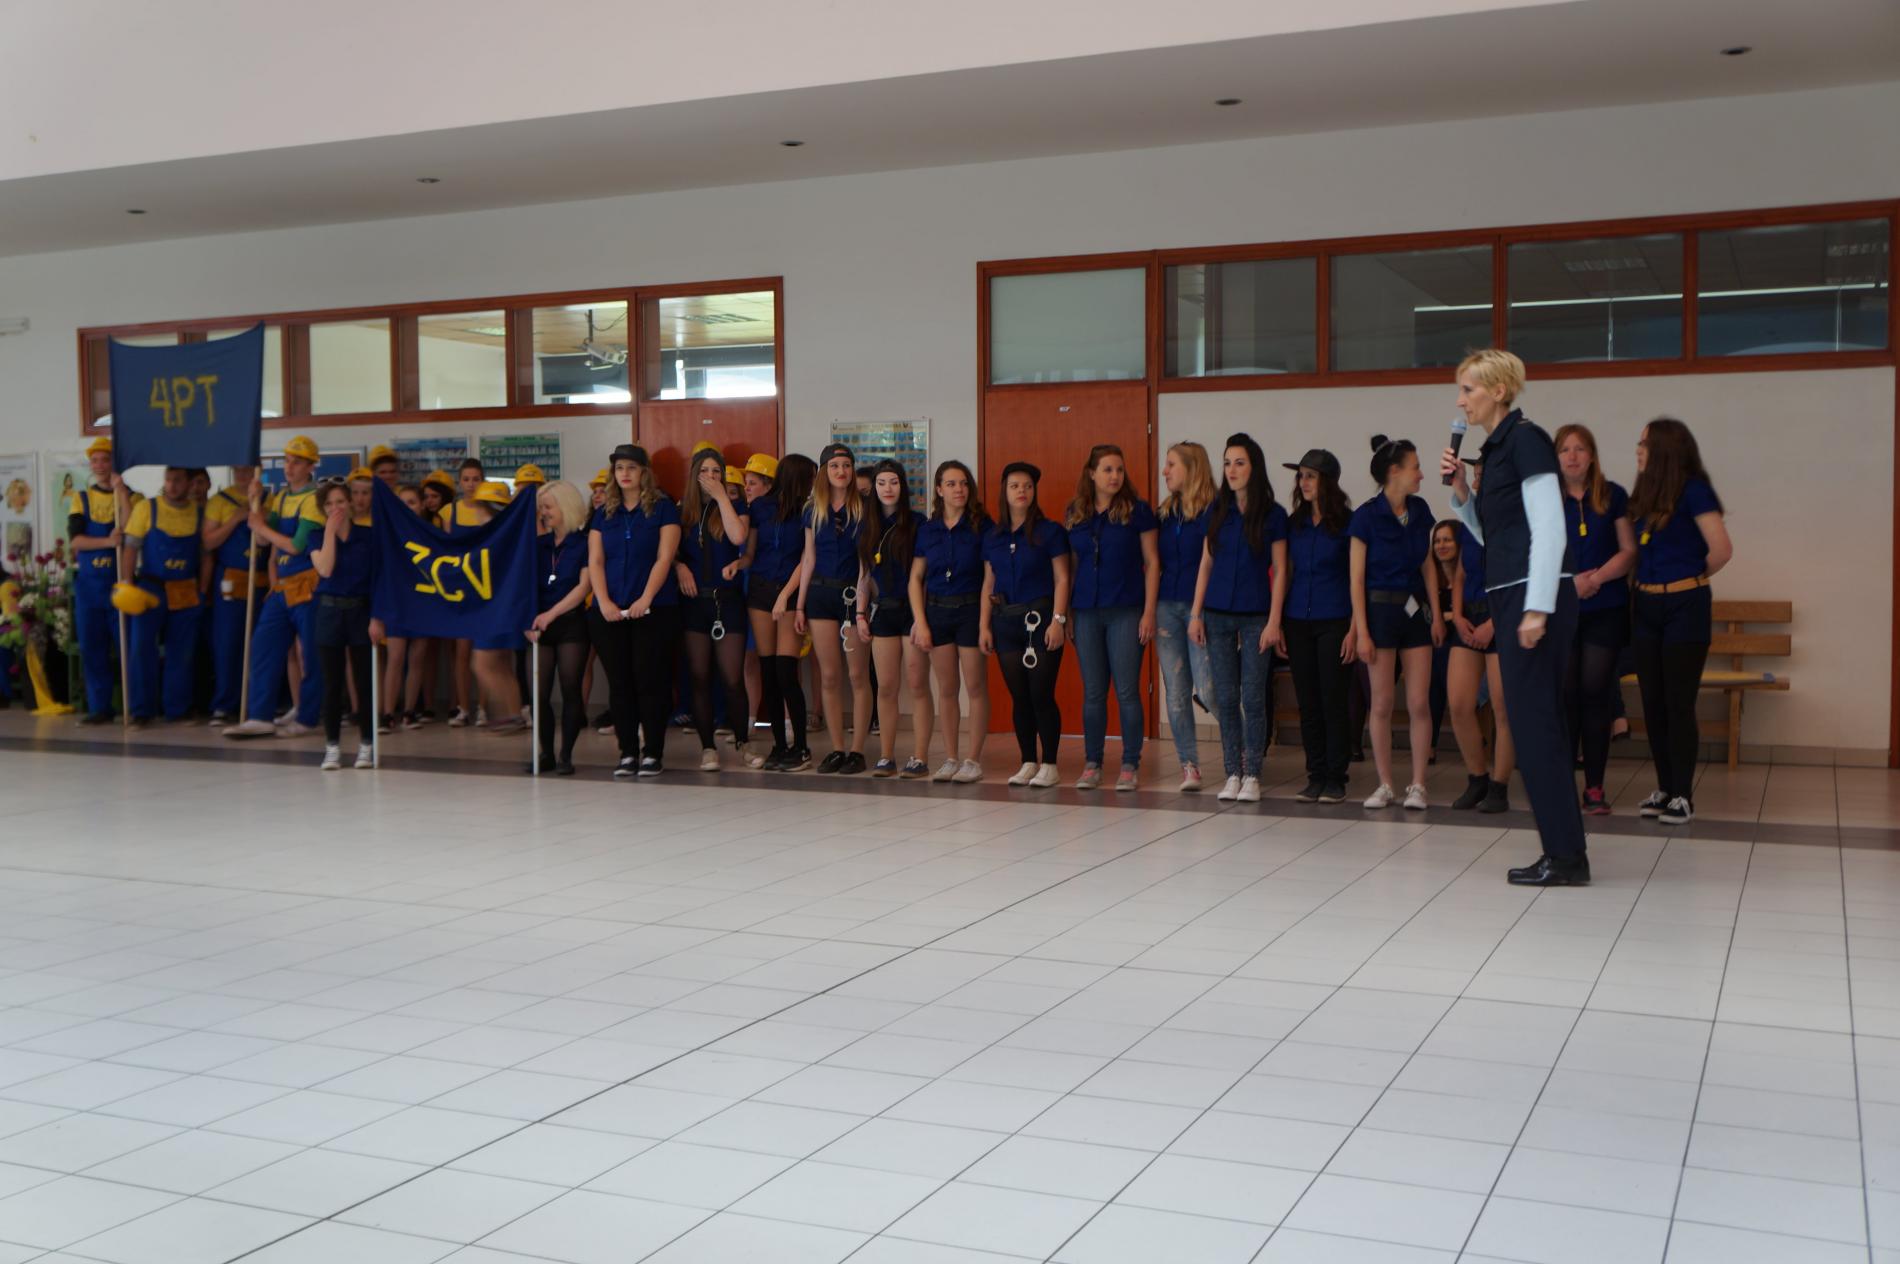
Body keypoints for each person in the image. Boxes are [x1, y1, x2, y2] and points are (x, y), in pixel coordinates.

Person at [1442, 349, 1591, 885]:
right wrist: (1462, 493)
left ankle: (1567, 858)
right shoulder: (1497, 449)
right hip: (1511, 591)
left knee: (1536, 726)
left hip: (1532, 594)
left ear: (1499, 391)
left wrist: (1537, 608)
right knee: (1533, 727)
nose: (1461, 401)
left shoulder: (1526, 441)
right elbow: (1496, 535)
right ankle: (1564, 851)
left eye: (1469, 390)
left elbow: (1550, 526)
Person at [1627, 417, 1731, 827]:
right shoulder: (1643, 496)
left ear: (1665, 450)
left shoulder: (1694, 491)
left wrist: (1686, 578)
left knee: (1678, 702)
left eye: (1644, 443)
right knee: (1652, 702)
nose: (1638, 450)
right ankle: (1665, 788)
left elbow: (1721, 549)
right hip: (1646, 605)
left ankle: (1683, 794)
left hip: (1685, 606)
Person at [1189, 433, 1287, 803]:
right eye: (1227, 463)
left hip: (1256, 615)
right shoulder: (1216, 511)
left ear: (1254, 467)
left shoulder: (1273, 515)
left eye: (1239, 463)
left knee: (1253, 696)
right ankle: (1232, 771)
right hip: (1217, 615)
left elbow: (1281, 570)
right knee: (1227, 697)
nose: (1231, 470)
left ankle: (1253, 774)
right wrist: (1195, 613)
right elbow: (1206, 563)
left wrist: (1275, 621)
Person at [1350, 435, 1441, 809]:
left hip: (1415, 612)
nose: (1421, 474)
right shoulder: (1365, 516)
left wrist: (1436, 614)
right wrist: (1362, 632)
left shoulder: (1420, 510)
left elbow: (1428, 565)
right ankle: (1385, 783)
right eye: (1415, 467)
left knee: (1419, 702)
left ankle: (1418, 784)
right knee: (1382, 703)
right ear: (1394, 471)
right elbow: (1356, 579)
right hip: (1380, 614)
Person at [1065, 444, 1159, 792]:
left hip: (1127, 610)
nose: (1115, 476)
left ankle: (1130, 763)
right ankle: (1093, 763)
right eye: (1107, 469)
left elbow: (1152, 563)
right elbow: (1072, 566)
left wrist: (1149, 612)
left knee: (1127, 691)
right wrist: (1067, 613)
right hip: (1086, 612)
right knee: (1093, 692)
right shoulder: (1076, 512)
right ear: (1092, 473)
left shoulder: (1138, 511)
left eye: (1119, 469)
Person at [1556, 423, 1637, 816]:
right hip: (1563, 609)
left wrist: (1595, 579)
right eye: (1564, 450)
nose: (1572, 456)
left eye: (1580, 449)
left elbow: (1628, 550)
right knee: (1567, 695)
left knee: (1595, 692)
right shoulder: (1547, 500)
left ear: (1592, 456)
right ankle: (1563, 788)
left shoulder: (1613, 495)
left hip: (1606, 608)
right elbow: (1537, 555)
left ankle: (1595, 787)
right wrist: (1570, 584)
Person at [588, 444, 682, 777]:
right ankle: (627, 752)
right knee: (620, 683)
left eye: (631, 467)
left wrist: (646, 598)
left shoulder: (663, 508)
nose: (624, 473)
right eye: (619, 468)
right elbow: (596, 561)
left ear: (644, 472)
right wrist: (604, 602)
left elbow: (664, 558)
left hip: (654, 609)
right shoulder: (604, 513)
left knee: (649, 680)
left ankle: (652, 751)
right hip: (610, 610)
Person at [225, 436, 326, 739]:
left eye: (297, 462)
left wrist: (260, 526)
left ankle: (307, 717)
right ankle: (260, 715)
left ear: (310, 466)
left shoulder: (315, 500)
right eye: (287, 461)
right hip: (281, 587)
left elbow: (296, 546)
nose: (289, 467)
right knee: (263, 646)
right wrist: (256, 503)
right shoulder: (280, 498)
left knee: (311, 655)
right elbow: (263, 541)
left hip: (308, 586)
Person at [981, 461, 1069, 788]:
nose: (1022, 491)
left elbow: (1062, 578)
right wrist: (984, 626)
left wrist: (1058, 620)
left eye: (1028, 486)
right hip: (1005, 622)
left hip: (1040, 619)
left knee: (1041, 694)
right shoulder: (993, 536)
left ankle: (1050, 764)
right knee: (1019, 697)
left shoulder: (1050, 532)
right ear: (1004, 491)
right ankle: (1028, 761)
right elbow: (988, 583)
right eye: (1015, 486)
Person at [1280, 449, 1356, 804]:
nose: (1303, 482)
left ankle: (1336, 777)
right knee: (1308, 702)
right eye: (1301, 476)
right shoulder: (1294, 524)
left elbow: (1357, 578)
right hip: (1297, 619)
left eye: (1310, 475)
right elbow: (1286, 573)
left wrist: (1355, 628)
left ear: (1327, 481)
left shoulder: (1348, 523)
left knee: (1333, 699)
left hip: (1335, 618)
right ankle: (1315, 774)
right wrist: (1279, 622)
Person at [910, 459, 990, 783]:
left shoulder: (981, 526)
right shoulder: (927, 530)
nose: (959, 489)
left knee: (975, 686)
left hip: (970, 610)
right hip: (937, 611)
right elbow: (915, 579)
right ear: (939, 489)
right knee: (946, 688)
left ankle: (973, 759)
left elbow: (989, 579)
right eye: (952, 484)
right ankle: (951, 757)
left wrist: (984, 624)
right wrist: (921, 622)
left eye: (964, 483)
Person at [796, 443, 871, 774]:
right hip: (820, 596)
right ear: (824, 471)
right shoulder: (813, 509)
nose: (841, 471)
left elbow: (865, 563)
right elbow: (808, 559)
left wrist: (861, 607)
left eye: (846, 465)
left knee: (856, 674)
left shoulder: (864, 508)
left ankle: (857, 750)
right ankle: (837, 747)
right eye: (835, 466)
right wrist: (800, 605)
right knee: (829, 675)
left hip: (852, 595)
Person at [857, 459, 933, 778]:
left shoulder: (918, 523)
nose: (888, 488)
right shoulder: (867, 525)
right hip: (883, 611)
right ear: (874, 488)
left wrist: (921, 618)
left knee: (917, 684)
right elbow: (864, 574)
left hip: (912, 612)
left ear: (903, 486)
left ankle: (919, 757)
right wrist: (860, 613)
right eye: (881, 483)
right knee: (886, 686)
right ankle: (886, 756)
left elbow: (923, 577)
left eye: (894, 482)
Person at [676, 447, 750, 772]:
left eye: (716, 471)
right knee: (699, 676)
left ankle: (743, 741)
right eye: (704, 471)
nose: (710, 477)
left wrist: (721, 497)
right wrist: (679, 567)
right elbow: (668, 551)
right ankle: (707, 747)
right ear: (694, 475)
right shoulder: (682, 511)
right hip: (694, 602)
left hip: (727, 600)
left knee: (732, 677)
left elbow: (738, 535)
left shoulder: (735, 506)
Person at [1446, 471, 1515, 814]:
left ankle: (1500, 786)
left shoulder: (1513, 521)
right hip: (1470, 615)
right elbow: (1460, 575)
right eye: (1474, 477)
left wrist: (1494, 623)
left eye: (1482, 476)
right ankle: (1477, 778)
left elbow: (1520, 577)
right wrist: (1457, 616)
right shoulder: (1469, 519)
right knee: (1459, 703)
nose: (1476, 483)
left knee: (1503, 706)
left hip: (1501, 615)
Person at [743, 452, 814, 770]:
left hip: (790, 591)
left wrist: (785, 596)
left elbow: (805, 559)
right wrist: (738, 564)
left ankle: (801, 746)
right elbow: (751, 550)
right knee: (768, 671)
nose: (812, 484)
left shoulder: (808, 511)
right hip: (760, 590)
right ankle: (779, 746)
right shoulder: (759, 507)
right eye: (809, 478)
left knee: (786, 672)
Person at [122, 465, 205, 724]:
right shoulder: (145, 508)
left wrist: (203, 591)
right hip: (150, 588)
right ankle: (141, 711)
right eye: (168, 479)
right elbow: (130, 548)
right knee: (141, 649)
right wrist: (127, 584)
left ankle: (177, 710)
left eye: (178, 480)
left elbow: (206, 555)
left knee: (182, 652)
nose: (172, 485)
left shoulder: (199, 513)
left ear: (189, 483)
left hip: (185, 590)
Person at [1155, 442, 1216, 792]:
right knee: (1176, 693)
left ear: (1192, 469)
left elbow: (1212, 564)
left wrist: (1197, 611)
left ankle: (1243, 753)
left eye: (1171, 465)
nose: (1165, 471)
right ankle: (1189, 765)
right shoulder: (1165, 513)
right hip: (1167, 607)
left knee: (1209, 689)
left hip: (1200, 608)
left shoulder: (1212, 512)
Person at [68, 436, 137, 723]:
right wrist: (108, 542)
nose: (99, 465)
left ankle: (134, 707)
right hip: (89, 588)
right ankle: (100, 707)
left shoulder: (131, 496)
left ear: (114, 463)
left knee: (127, 648)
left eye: (105, 459)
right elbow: (76, 542)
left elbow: (131, 527)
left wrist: (121, 491)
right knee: (92, 648)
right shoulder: (81, 498)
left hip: (120, 583)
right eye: (94, 460)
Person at [527, 480, 592, 775]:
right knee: (538, 693)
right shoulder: (538, 545)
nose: (544, 513)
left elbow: (583, 587)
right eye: (541, 508)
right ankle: (546, 753)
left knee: (570, 688)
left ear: (565, 507)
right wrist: (529, 620)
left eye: (548, 507)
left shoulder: (585, 542)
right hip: (539, 626)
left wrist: (551, 614)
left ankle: (566, 754)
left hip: (570, 624)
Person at [310, 477, 376, 770]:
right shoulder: (316, 536)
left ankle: (367, 744)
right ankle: (332, 746)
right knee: (332, 683)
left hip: (361, 610)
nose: (335, 508)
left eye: (340, 501)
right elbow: (325, 568)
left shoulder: (369, 536)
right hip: (329, 611)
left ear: (349, 503)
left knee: (363, 682)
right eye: (329, 504)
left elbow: (378, 580)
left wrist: (377, 618)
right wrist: (329, 532)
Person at [460, 482, 528, 737]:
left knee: (482, 665)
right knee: (502, 667)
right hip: (502, 612)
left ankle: (509, 714)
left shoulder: (492, 540)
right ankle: (515, 714)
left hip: (494, 612)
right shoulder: (506, 538)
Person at [201, 464, 262, 727]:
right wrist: (235, 519)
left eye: (247, 470)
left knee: (260, 646)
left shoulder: (268, 500)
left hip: (260, 582)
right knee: (227, 645)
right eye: (238, 470)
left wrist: (257, 511)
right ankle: (224, 704)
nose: (242, 475)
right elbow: (208, 542)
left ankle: (257, 705)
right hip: (230, 583)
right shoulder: (219, 502)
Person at [440, 458, 487, 726]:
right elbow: (445, 551)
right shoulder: (449, 511)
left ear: (483, 481)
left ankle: (483, 708)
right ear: (459, 482)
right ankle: (463, 707)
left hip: (484, 587)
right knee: (461, 651)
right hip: (460, 588)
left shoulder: (489, 510)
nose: (471, 484)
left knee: (484, 650)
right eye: (466, 479)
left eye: (475, 479)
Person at [1427, 520, 1459, 759]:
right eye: (1437, 541)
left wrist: (1446, 617)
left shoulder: (1468, 576)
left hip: (1465, 642)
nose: (1441, 545)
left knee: (1440, 663)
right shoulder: (1428, 580)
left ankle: (1431, 743)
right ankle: (1429, 742)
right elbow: (1420, 612)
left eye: (1447, 540)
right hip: (1435, 642)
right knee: (1436, 665)